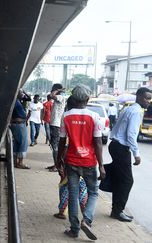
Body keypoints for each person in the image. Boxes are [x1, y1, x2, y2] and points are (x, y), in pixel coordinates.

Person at [56, 85, 105, 240]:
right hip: (89, 162)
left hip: (71, 161)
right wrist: (101, 165)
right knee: (93, 192)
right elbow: (98, 143)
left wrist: (58, 160)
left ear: (74, 99)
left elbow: (62, 142)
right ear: (87, 99)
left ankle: (74, 229)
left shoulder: (66, 116)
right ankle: (87, 220)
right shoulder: (94, 116)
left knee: (73, 195)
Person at [107, 87, 152, 222]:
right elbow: (131, 135)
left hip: (115, 145)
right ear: (138, 97)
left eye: (149, 98)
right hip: (121, 147)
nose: (148, 101)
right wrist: (136, 154)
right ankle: (118, 210)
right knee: (127, 181)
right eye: (146, 98)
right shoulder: (137, 111)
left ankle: (116, 209)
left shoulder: (129, 108)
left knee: (120, 179)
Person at [47, 83, 67, 172]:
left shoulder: (60, 97)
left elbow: (51, 95)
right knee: (54, 145)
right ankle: (56, 164)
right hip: (54, 124)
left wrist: (58, 90)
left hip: (56, 125)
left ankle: (58, 166)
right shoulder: (59, 98)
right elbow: (49, 96)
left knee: (56, 146)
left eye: (53, 89)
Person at [10, 89, 30, 169]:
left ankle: (15, 162)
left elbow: (28, 98)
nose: (23, 94)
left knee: (17, 143)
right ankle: (20, 163)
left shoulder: (17, 100)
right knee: (23, 143)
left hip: (19, 124)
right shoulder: (15, 101)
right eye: (21, 92)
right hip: (19, 125)